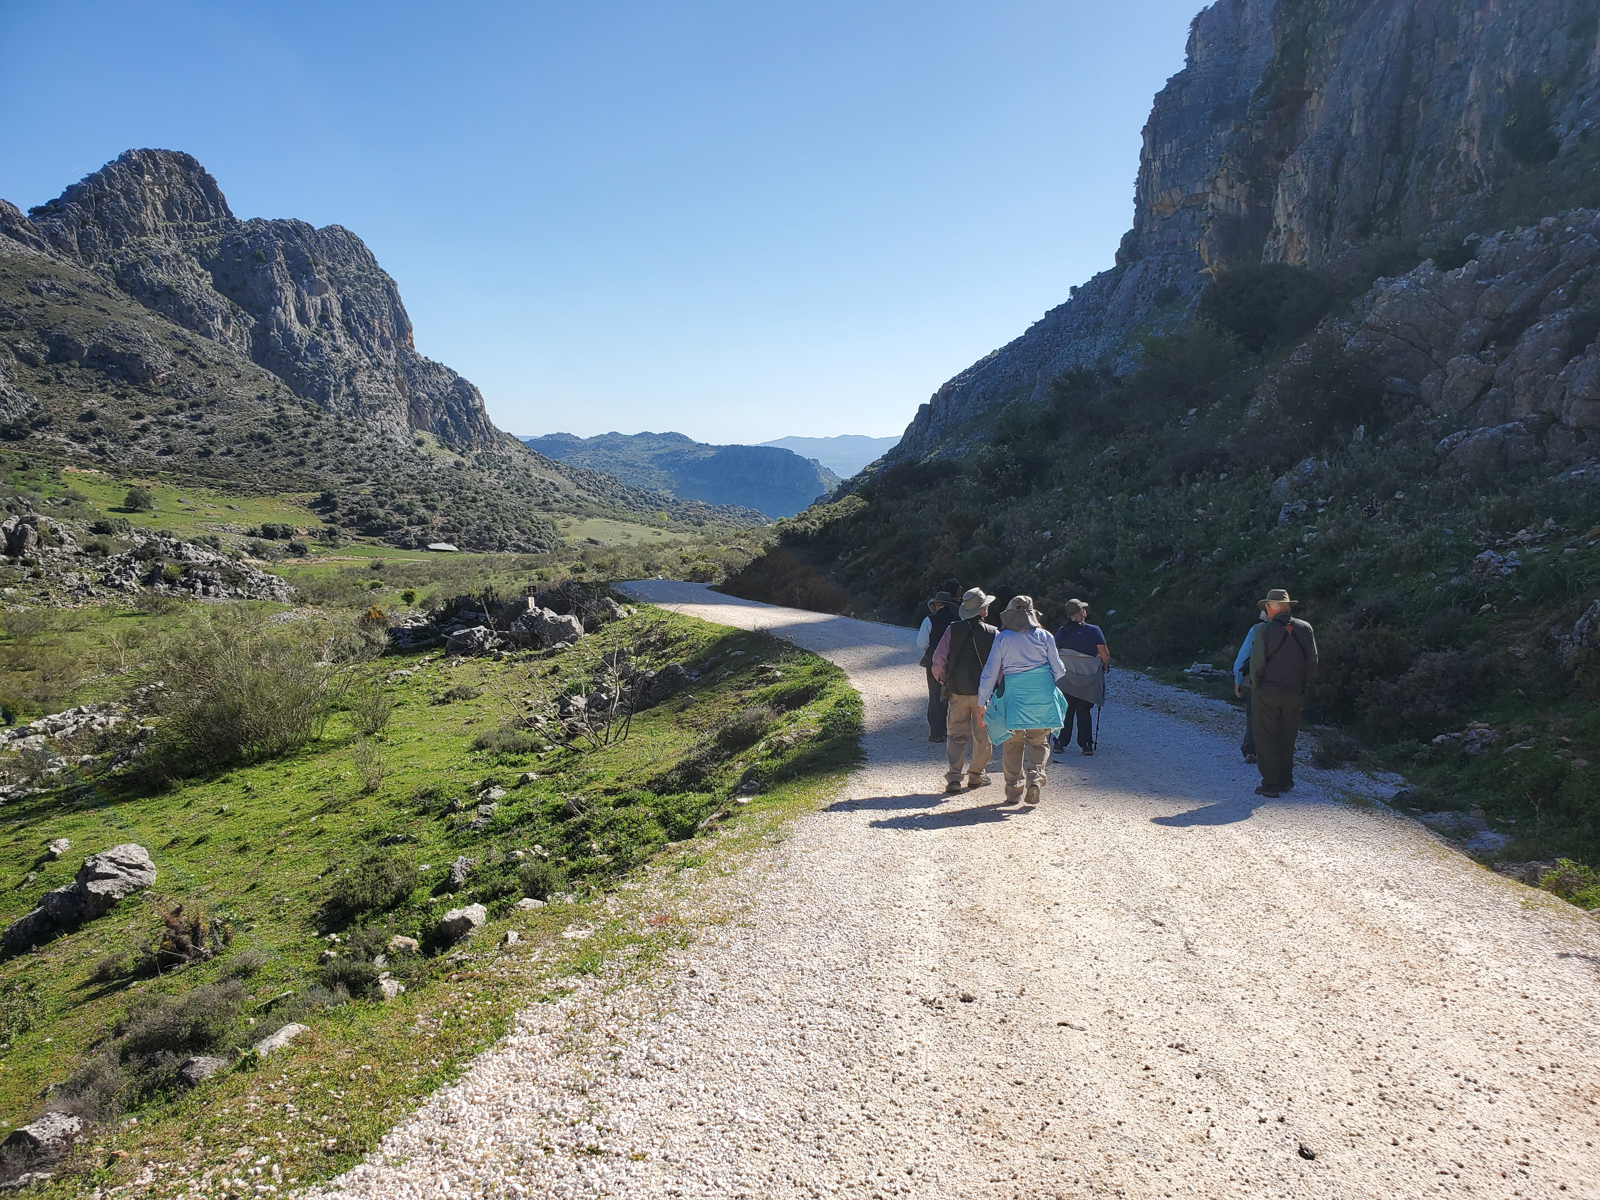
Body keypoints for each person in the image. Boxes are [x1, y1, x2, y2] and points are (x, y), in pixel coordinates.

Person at [977, 595, 1067, 805]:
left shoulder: (1003, 638)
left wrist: (982, 703)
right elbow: (1059, 670)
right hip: (1042, 697)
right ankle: (1035, 779)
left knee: (1013, 744)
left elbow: (990, 673)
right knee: (1038, 741)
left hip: (1014, 698)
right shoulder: (1045, 636)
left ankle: (1013, 789)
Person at [1246, 588, 1318, 798]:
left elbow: (1257, 664)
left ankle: (1270, 784)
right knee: (1288, 737)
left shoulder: (1264, 631)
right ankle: (1286, 780)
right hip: (1294, 692)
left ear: (1270, 607)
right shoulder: (1306, 629)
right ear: (1288, 607)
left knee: (1265, 737)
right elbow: (1312, 662)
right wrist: (1304, 686)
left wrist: (1253, 685)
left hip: (1267, 691)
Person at [931, 587, 998, 793]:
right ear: (982, 610)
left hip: (958, 690)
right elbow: (999, 665)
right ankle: (977, 775)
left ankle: (954, 777)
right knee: (983, 735)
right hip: (983, 694)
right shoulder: (994, 633)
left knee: (956, 734)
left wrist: (944, 680)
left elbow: (938, 660)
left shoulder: (953, 629)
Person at [1052, 598, 1109, 756]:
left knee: (1066, 709)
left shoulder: (1062, 632)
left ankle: (1059, 743)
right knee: (1084, 710)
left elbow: (1054, 653)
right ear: (1082, 613)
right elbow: (1104, 654)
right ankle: (1086, 745)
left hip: (1066, 678)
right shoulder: (1094, 631)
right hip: (1088, 677)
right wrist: (1106, 665)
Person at [916, 578, 961, 742]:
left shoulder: (929, 620)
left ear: (936, 605)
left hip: (933, 662)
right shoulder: (958, 620)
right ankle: (952, 729)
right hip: (954, 661)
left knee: (935, 696)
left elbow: (921, 643)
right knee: (953, 695)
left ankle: (937, 732)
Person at [1232, 611, 1267, 765]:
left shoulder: (1256, 629)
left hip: (1255, 680)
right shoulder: (1294, 628)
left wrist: (1238, 680)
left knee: (1254, 716)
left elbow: (1243, 657)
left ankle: (1251, 751)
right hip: (1283, 683)